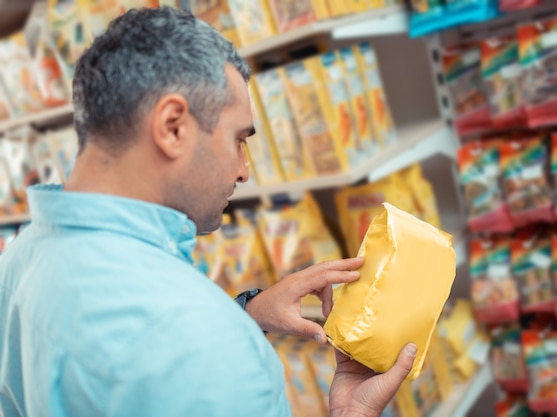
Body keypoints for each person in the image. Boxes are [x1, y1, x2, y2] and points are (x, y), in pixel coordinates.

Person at [0, 7, 417, 417]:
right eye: (239, 140)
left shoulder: (20, 258)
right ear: (173, 127)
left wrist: (246, 314)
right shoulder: (212, 348)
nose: (244, 171)